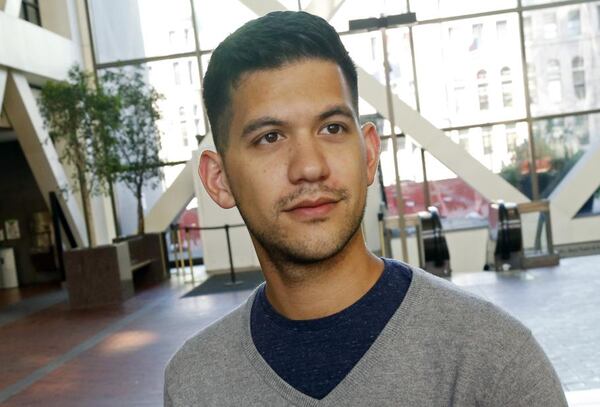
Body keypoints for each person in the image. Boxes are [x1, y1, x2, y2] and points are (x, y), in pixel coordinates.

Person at [164, 11, 567, 406]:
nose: (310, 166)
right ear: (219, 180)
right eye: (270, 137)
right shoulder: (194, 383)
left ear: (369, 153)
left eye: (332, 128)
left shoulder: (492, 362)